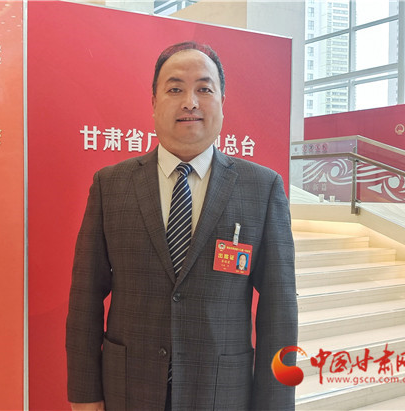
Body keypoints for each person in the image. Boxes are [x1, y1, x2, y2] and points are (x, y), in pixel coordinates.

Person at [66, 41, 298, 411]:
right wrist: (84, 394)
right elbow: (85, 298)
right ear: (154, 102)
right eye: (175, 89)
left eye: (204, 89)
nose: (190, 102)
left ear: (222, 102)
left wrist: (275, 404)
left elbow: (279, 310)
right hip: (128, 389)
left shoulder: (262, 187)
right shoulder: (111, 185)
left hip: (222, 392)